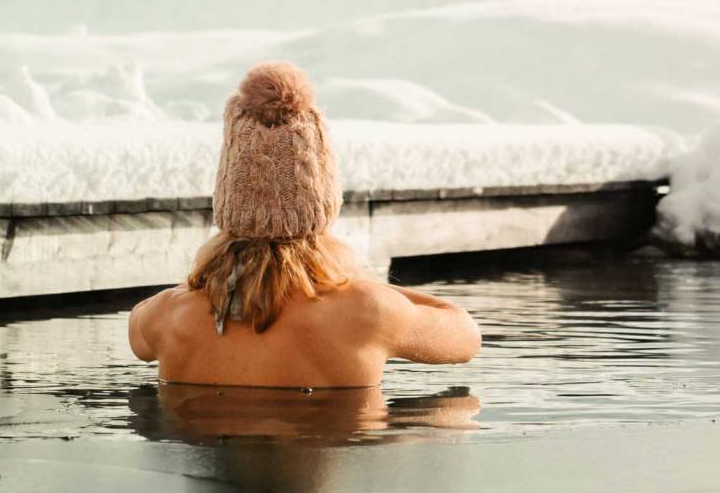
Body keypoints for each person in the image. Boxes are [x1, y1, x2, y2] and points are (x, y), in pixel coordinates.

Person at [128, 61, 480, 387]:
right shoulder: (366, 310)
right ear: (321, 203)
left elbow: (137, 334)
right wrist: (348, 279)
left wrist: (212, 275)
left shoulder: (167, 314)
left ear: (228, 201)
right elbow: (465, 336)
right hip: (325, 436)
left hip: (207, 444)